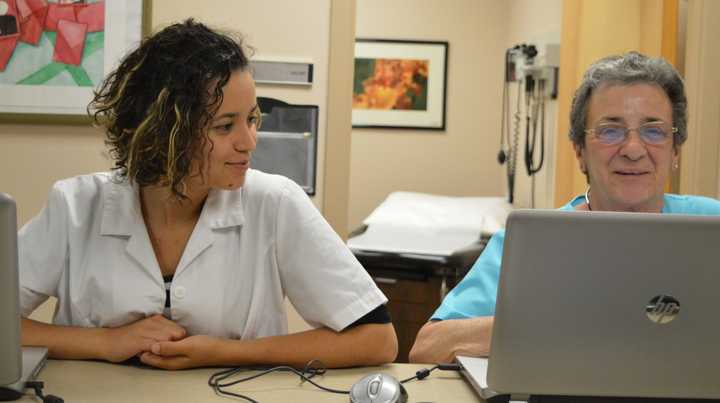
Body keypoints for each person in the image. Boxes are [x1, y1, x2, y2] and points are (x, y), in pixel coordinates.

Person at [19, 19, 397, 370]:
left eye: (251, 119)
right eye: (224, 126)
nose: (249, 142)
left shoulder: (275, 203)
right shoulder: (75, 207)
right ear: (163, 131)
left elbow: (377, 339)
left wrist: (224, 353)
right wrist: (104, 342)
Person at [409, 51, 720, 364]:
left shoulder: (712, 225)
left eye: (654, 130)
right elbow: (428, 348)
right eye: (610, 130)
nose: (634, 149)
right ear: (580, 151)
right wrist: (559, 326)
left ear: (676, 150)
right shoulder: (533, 241)